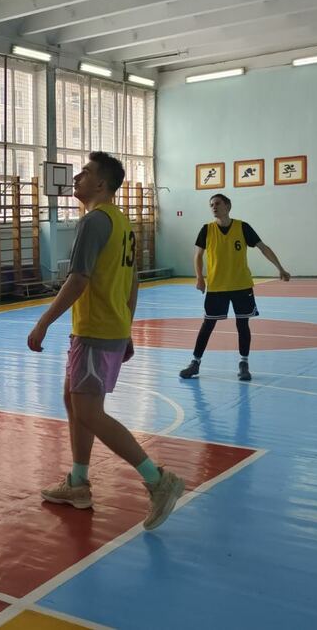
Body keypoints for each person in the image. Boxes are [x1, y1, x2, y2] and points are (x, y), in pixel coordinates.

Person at [27, 152, 184, 531]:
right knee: (74, 401)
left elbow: (78, 280)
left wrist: (43, 322)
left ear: (101, 184)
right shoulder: (121, 222)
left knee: (89, 411)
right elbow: (133, 281)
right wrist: (125, 326)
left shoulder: (95, 221)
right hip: (103, 329)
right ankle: (78, 482)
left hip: (96, 331)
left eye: (85, 172)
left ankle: (157, 480)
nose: (76, 177)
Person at [179, 193, 291, 382]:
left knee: (242, 324)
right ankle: (195, 363)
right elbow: (198, 255)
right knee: (208, 325)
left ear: (228, 206)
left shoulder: (243, 227)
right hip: (217, 286)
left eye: (218, 203)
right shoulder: (207, 229)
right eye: (211, 205)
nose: (214, 207)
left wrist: (280, 268)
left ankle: (244, 364)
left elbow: (263, 248)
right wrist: (199, 278)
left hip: (241, 285)